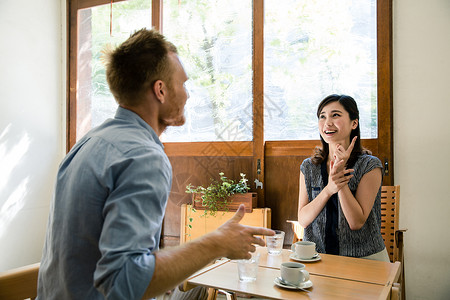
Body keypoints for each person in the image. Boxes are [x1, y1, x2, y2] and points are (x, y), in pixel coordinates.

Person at [37, 28, 274, 300]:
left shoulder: (89, 141)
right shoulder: (143, 155)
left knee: (194, 290)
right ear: (160, 90)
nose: (188, 95)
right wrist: (216, 243)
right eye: (183, 84)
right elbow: (122, 282)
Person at [297, 94, 389, 261]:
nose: (327, 122)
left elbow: (356, 222)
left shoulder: (369, 165)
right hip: (317, 257)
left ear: (354, 123)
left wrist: (340, 181)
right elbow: (303, 220)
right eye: (322, 116)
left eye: (336, 115)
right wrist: (328, 190)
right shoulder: (309, 167)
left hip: (365, 259)